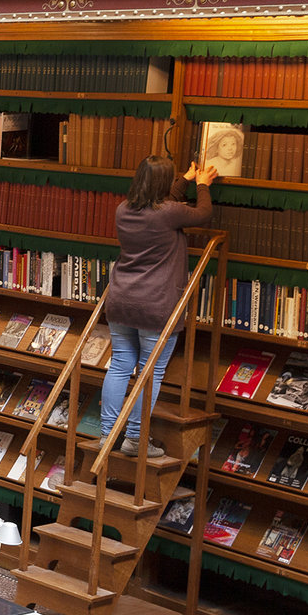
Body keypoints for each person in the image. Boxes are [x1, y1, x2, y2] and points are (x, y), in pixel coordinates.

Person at [101, 156, 217, 458]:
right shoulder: (169, 214)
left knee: (120, 366)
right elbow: (202, 213)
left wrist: (186, 179)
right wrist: (203, 185)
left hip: (121, 300)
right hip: (156, 306)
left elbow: (165, 203)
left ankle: (107, 434)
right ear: (163, 185)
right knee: (150, 372)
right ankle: (135, 439)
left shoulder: (123, 210)